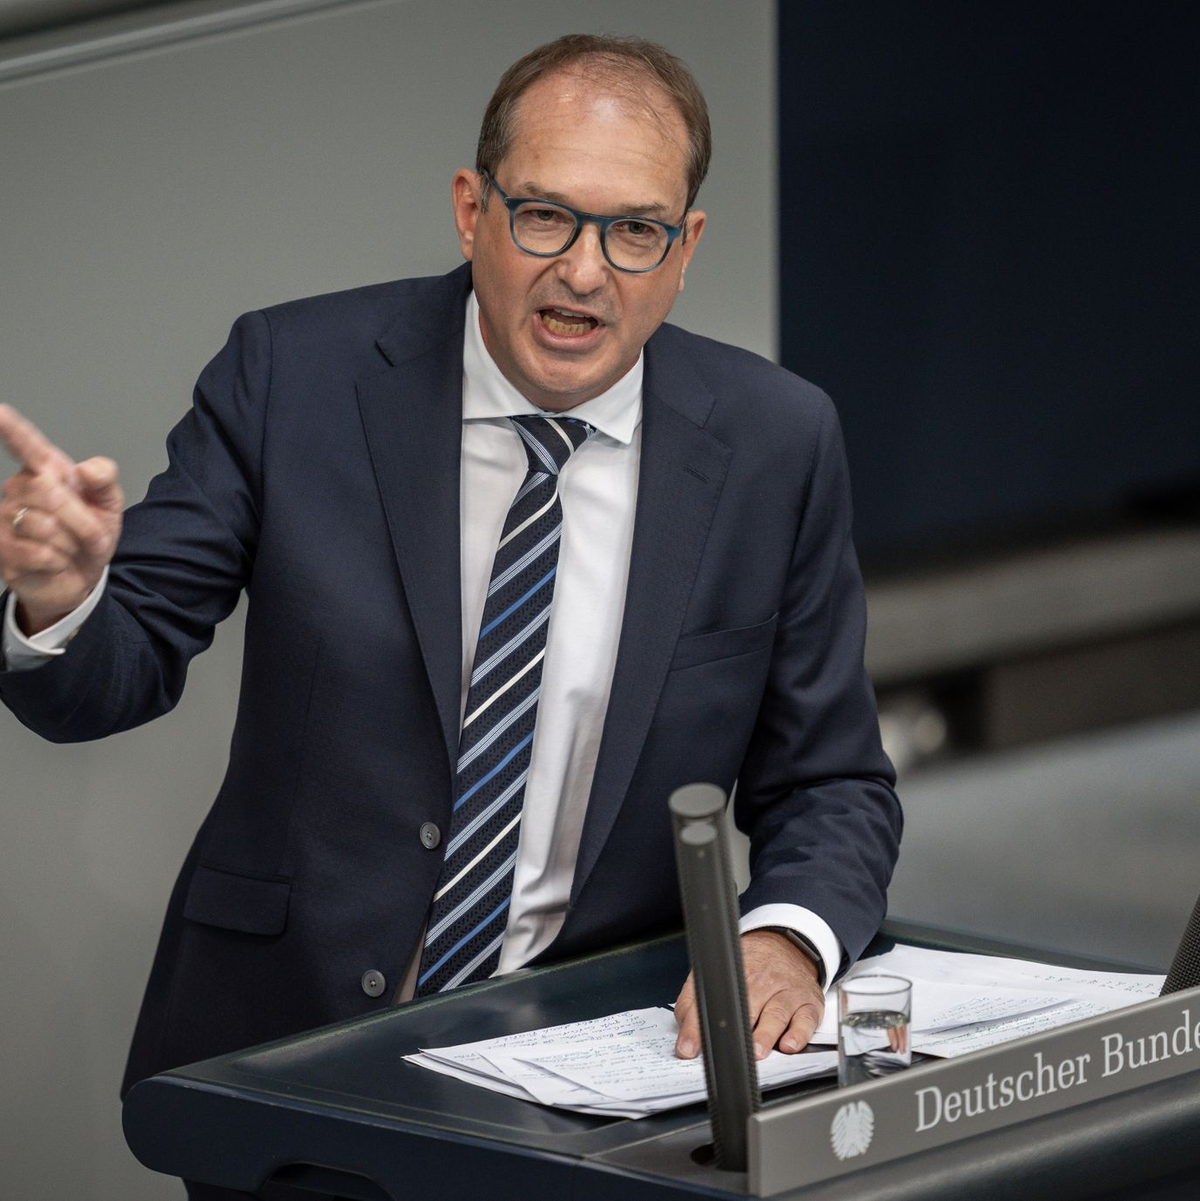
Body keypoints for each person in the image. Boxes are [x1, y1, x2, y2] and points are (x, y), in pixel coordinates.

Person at [0, 30, 900, 1179]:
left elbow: (831, 781)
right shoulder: (296, 378)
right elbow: (109, 678)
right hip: (293, 1058)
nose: (585, 271)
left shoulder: (778, 443)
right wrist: (66, 599)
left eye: (634, 231)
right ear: (472, 208)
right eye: (546, 217)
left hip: (596, 1078)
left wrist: (784, 937)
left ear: (686, 249)